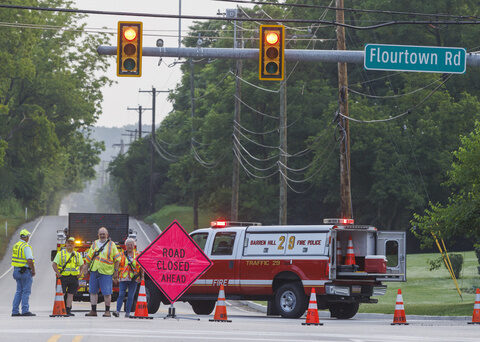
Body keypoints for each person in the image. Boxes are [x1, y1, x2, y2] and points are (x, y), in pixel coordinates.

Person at [81, 227, 120, 317]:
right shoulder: (94, 244)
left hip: (106, 272)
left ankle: (107, 311)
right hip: (94, 271)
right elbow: (89, 257)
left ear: (107, 235)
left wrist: (116, 272)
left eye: (104, 234)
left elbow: (117, 259)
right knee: (93, 291)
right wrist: (85, 268)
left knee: (107, 292)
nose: (102, 235)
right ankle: (93, 311)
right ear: (98, 235)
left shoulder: (112, 244)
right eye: (100, 234)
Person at [51, 237, 84, 316]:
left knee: (70, 294)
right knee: (61, 293)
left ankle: (68, 310)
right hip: (63, 277)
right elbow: (54, 264)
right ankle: (59, 309)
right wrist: (58, 274)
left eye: (72, 243)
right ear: (65, 244)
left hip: (74, 277)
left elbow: (82, 265)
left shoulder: (77, 254)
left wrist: (80, 273)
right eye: (68, 243)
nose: (70, 244)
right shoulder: (60, 253)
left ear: (74, 245)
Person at [113, 238, 144, 318]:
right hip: (123, 278)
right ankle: (117, 311)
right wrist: (115, 275)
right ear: (125, 246)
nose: (130, 246)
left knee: (131, 296)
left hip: (134, 279)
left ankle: (127, 313)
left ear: (134, 246)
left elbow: (141, 267)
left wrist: (142, 277)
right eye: (128, 245)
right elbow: (117, 265)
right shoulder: (121, 254)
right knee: (121, 295)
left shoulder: (137, 254)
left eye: (131, 245)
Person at [11, 229, 36, 317]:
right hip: (25, 271)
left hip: (16, 270)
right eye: (28, 236)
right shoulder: (26, 246)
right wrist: (33, 270)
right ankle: (25, 310)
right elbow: (29, 260)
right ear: (26, 237)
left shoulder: (16, 245)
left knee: (19, 291)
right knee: (26, 291)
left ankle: (15, 311)